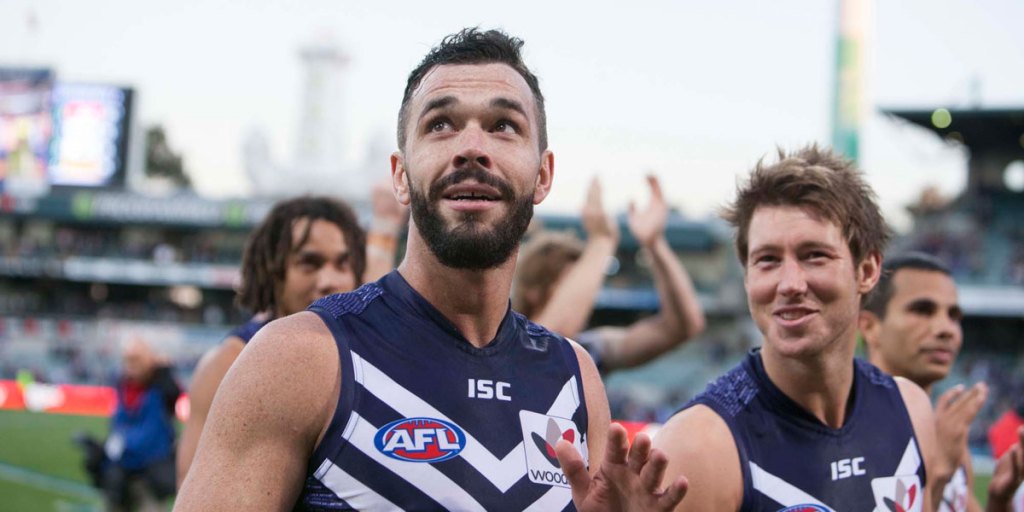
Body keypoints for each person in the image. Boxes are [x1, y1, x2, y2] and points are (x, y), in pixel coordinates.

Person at [176, 28, 687, 511]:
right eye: (440, 124)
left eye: (503, 125)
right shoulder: (301, 357)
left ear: (543, 176)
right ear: (400, 177)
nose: (472, 147)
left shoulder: (574, 378)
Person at [652, 145, 944, 510]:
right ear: (747, 279)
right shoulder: (699, 448)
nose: (789, 283)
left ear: (867, 271)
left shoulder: (910, 409)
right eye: (768, 260)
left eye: (814, 255)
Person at [176, 196, 368, 486]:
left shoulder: (363, 352)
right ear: (273, 272)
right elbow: (193, 489)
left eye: (342, 264)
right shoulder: (228, 363)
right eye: (309, 263)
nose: (330, 280)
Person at [861, 252, 1024, 511]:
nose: (946, 328)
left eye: (954, 315)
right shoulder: (850, 435)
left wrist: (999, 499)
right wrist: (937, 474)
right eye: (922, 310)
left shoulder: (949, 435)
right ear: (869, 326)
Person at [513, 175, 705, 374]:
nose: (584, 295)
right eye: (571, 284)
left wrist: (655, 245)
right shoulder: (504, 347)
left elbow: (682, 327)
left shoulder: (589, 349)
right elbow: (549, 344)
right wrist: (602, 240)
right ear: (533, 291)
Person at [82, 338, 180, 511]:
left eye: (136, 359)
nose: (131, 365)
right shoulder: (123, 387)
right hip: (121, 473)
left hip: (151, 474)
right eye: (128, 359)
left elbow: (173, 392)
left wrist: (164, 370)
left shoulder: (162, 387)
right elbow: (118, 426)